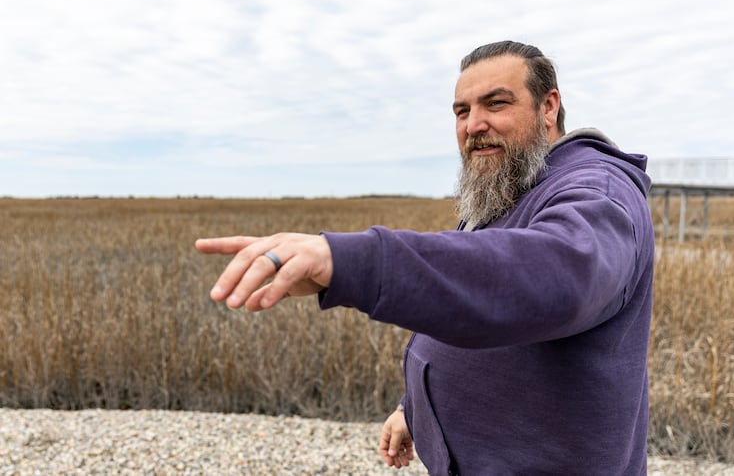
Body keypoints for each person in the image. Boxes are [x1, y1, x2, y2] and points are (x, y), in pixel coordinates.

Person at [195, 40, 655, 476]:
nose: (474, 124)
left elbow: (552, 278)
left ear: (548, 106)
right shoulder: (512, 187)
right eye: (462, 111)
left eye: (496, 104)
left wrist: (352, 261)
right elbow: (467, 291)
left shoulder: (598, 191)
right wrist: (413, 406)